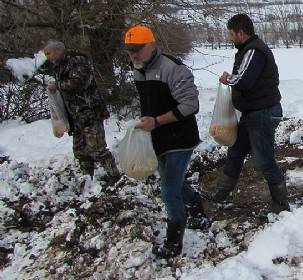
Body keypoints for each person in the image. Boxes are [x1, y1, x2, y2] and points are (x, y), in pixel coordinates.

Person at [124, 25, 207, 259]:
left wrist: (157, 121)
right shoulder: (138, 69)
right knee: (176, 183)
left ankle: (173, 243)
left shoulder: (173, 69)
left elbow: (191, 106)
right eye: (129, 52)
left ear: (151, 46)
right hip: (157, 138)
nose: (133, 56)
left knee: (169, 191)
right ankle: (198, 213)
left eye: (137, 51)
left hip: (180, 138)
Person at [210, 14, 290, 215]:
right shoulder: (248, 50)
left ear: (241, 32)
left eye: (231, 34)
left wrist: (229, 79)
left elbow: (245, 80)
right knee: (236, 150)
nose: (230, 38)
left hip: (263, 113)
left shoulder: (255, 50)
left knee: (264, 160)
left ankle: (281, 203)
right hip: (252, 112)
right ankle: (222, 193)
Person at [40, 40, 120, 183]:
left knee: (97, 148)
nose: (47, 57)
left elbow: (79, 82)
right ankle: (87, 178)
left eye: (48, 53)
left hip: (89, 111)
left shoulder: (77, 61)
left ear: (58, 50)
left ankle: (114, 176)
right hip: (75, 114)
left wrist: (57, 85)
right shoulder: (59, 65)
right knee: (80, 150)